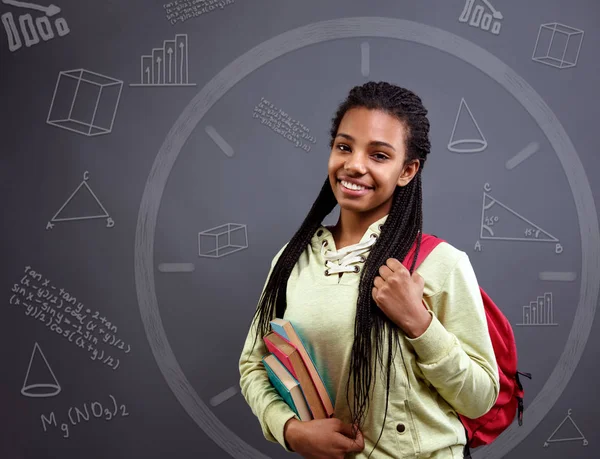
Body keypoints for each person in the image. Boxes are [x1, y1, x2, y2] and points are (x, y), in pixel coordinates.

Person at [238, 81, 499, 459]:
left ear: (407, 170)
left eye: (379, 155)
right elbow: (253, 364)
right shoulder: (291, 261)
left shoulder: (439, 263)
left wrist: (420, 324)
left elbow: (480, 399)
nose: (354, 165)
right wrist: (291, 430)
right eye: (344, 147)